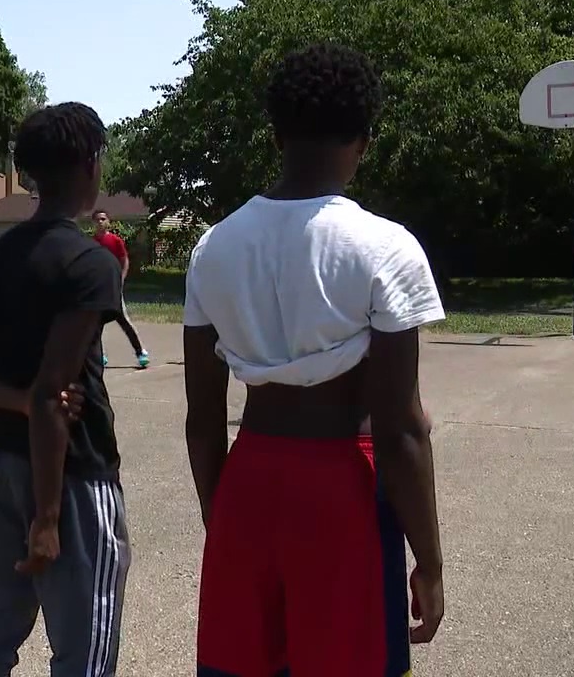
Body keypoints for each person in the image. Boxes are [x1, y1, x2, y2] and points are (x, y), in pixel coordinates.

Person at [182, 43, 447, 676]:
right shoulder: (384, 248)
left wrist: (222, 523)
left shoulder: (214, 247)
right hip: (340, 490)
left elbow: (201, 418)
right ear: (364, 139)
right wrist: (429, 561)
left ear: (275, 134)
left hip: (248, 481)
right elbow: (400, 425)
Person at [0, 102, 130, 677]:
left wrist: (18, 401)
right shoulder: (88, 263)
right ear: (87, 165)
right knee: (84, 652)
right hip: (70, 472)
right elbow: (55, 393)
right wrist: (47, 517)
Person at [91, 209, 149, 368]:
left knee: (122, 319)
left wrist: (121, 279)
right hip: (99, 288)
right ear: (93, 223)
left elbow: (124, 261)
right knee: (97, 323)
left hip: (114, 286)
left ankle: (141, 352)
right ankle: (100, 356)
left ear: (108, 222)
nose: (100, 222)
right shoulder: (91, 242)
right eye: (97, 220)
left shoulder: (115, 241)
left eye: (103, 219)